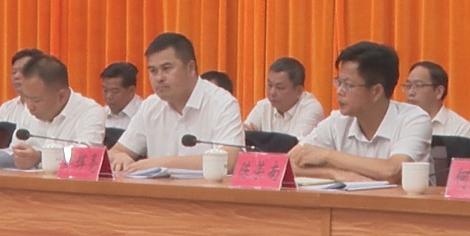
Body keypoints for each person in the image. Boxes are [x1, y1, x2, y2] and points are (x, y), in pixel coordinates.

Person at [289, 41, 431, 184]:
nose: (339, 91)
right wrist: (334, 173)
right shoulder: (337, 122)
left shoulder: (414, 119)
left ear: (376, 91)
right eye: (339, 82)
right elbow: (287, 163)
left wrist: (328, 156)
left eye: (348, 85)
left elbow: (393, 171)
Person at [108, 33, 243, 175]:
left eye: (166, 68)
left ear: (191, 68)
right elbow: (115, 151)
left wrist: (157, 164)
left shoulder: (222, 103)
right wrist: (120, 156)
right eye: (153, 71)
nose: (159, 78)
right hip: (158, 189)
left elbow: (227, 160)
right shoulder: (151, 106)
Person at [0, 55, 106, 167]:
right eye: (26, 97)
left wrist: (40, 158)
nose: (29, 106)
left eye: (36, 100)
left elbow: (86, 157)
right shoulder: (28, 110)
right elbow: (14, 150)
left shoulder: (90, 112)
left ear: (61, 96)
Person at [244, 57, 325, 138]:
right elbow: (243, 137)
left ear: (299, 91)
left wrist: (257, 138)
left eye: (280, 88)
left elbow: (294, 144)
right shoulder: (263, 106)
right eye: (269, 85)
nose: (272, 93)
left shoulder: (311, 108)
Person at [403, 60, 470, 138]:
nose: (410, 92)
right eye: (408, 85)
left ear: (439, 92)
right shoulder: (399, 122)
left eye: (418, 85)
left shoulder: (460, 129)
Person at [101, 62, 141, 129]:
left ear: (131, 90)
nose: (108, 96)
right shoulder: (101, 114)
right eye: (105, 90)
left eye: (114, 91)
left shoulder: (144, 114)